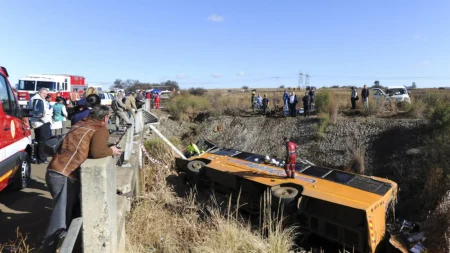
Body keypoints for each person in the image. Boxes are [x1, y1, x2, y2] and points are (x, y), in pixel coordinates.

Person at [41, 105, 122, 253]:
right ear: (105, 117)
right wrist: (111, 150)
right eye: (109, 117)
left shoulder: (81, 123)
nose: (108, 120)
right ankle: (48, 249)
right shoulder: (100, 129)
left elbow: (85, 146)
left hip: (54, 170)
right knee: (60, 220)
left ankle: (70, 245)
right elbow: (97, 152)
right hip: (66, 175)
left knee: (71, 213)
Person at [29, 88, 52, 164]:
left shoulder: (36, 99)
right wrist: (46, 121)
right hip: (42, 123)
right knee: (43, 141)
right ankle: (42, 158)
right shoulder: (38, 99)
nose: (45, 95)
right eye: (43, 93)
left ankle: (37, 157)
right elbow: (39, 113)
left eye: (46, 94)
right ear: (39, 92)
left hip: (38, 123)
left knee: (38, 141)